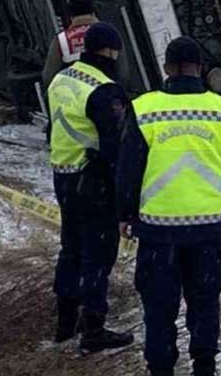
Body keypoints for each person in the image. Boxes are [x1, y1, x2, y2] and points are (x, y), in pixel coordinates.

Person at [116, 36, 221, 376]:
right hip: (207, 230)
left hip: (157, 231)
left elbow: (128, 168)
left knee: (158, 306)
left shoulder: (144, 108)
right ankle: (204, 365)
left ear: (166, 68)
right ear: (202, 69)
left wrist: (125, 214)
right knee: (204, 302)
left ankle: (160, 367)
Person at [46, 22, 134, 353]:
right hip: (92, 179)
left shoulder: (62, 79)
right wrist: (124, 195)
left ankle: (65, 322)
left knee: (71, 248)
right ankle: (94, 328)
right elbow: (115, 148)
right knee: (99, 253)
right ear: (110, 51)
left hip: (63, 174)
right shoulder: (105, 91)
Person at [42, 0, 99, 98]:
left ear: (70, 16)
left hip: (76, 101)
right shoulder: (109, 34)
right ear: (93, 13)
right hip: (109, 98)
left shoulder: (61, 40)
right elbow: (123, 74)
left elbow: (48, 78)